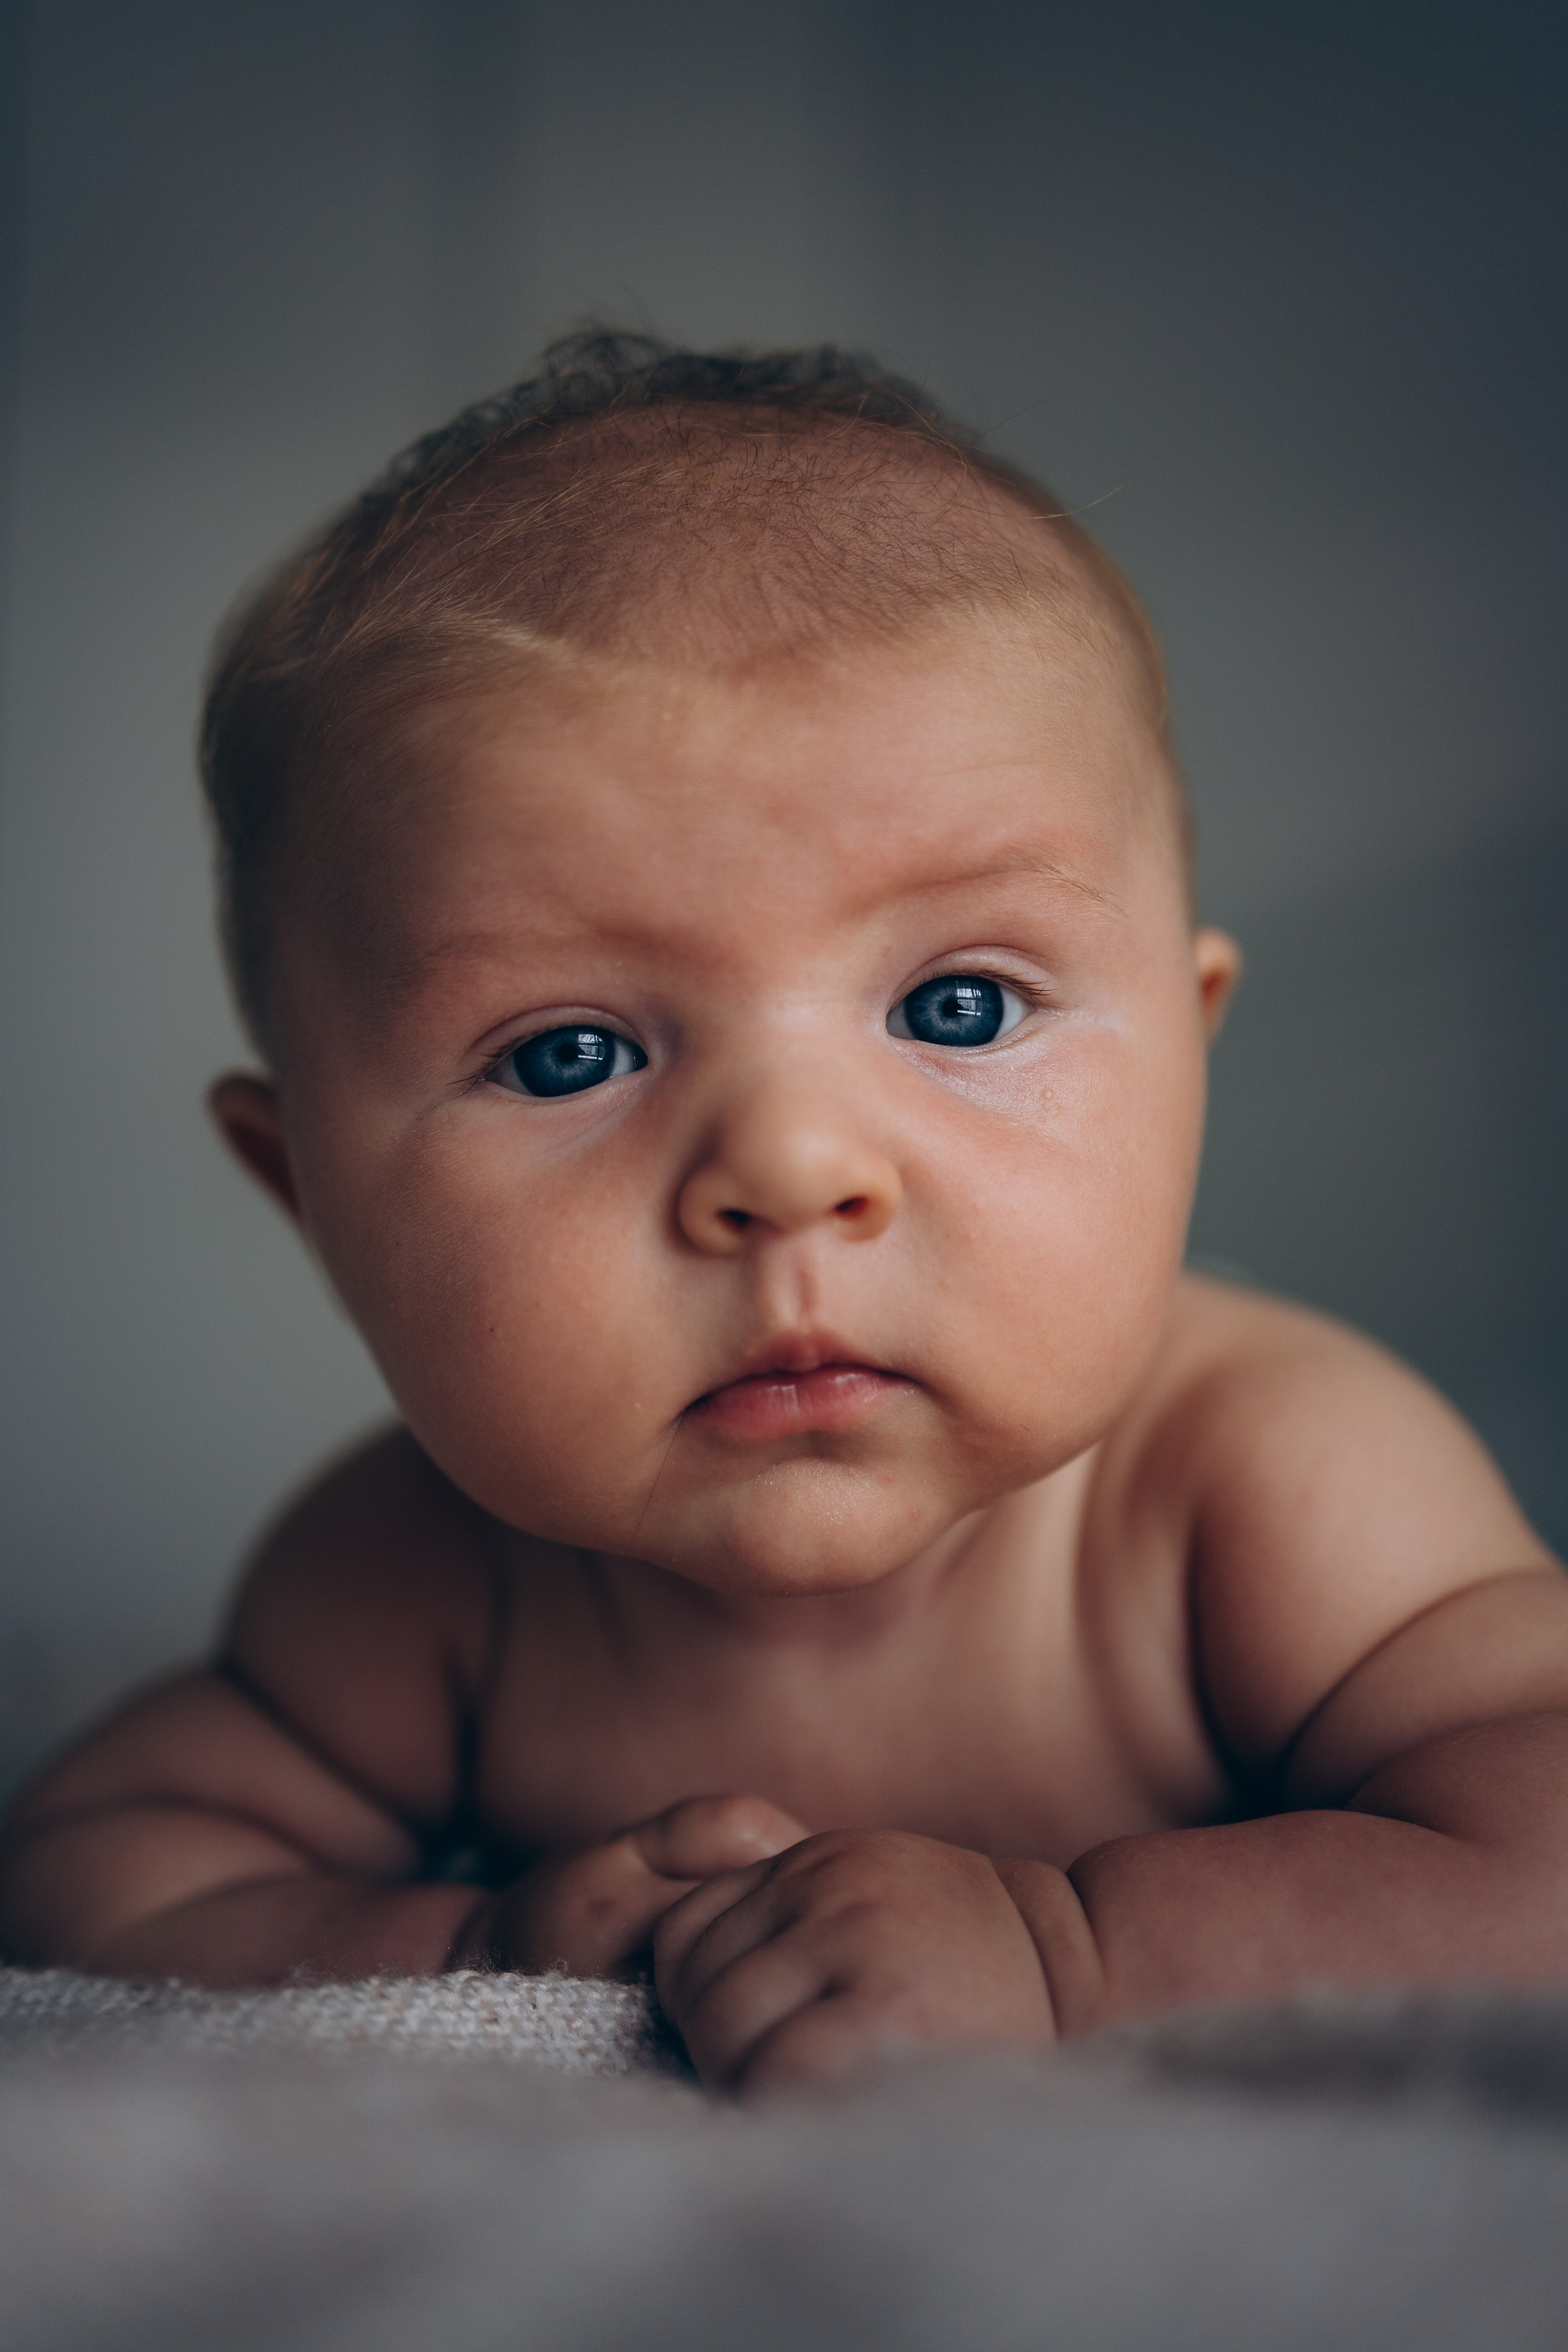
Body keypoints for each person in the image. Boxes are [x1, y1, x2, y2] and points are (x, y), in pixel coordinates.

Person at [4, 334, 1566, 2094]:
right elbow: (103, 1859)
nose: (795, 1172)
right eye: (571, 1050)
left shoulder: (1267, 1478)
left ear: (1190, 1060)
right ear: (305, 1194)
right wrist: (472, 1945)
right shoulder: (421, 1577)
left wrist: (1074, 1953)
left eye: (958, 1008)